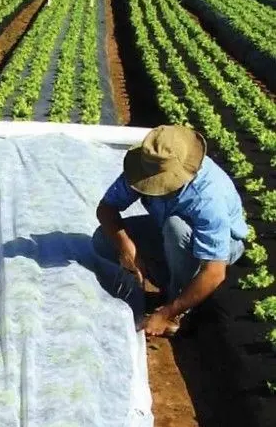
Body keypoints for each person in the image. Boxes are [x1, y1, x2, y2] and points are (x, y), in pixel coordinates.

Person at [93, 125, 247, 337]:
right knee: (103, 240)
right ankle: (169, 280)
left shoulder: (207, 198)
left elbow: (214, 271)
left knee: (176, 228)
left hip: (219, 246)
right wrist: (127, 247)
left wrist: (166, 312)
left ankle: (180, 306)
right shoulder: (145, 167)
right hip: (167, 230)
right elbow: (106, 208)